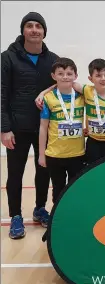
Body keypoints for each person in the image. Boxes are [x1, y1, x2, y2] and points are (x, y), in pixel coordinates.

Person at [1, 12, 59, 239]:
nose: (34, 30)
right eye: (29, 26)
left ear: (44, 31)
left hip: (46, 128)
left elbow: (60, 85)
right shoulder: (7, 57)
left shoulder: (53, 59)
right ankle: (16, 215)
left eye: (38, 26)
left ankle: (39, 208)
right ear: (23, 30)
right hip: (16, 128)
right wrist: (4, 128)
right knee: (15, 173)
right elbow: (2, 93)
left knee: (43, 170)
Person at [38, 58, 85, 205]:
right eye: (61, 73)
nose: (65, 76)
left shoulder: (82, 97)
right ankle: (56, 220)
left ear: (75, 76)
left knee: (75, 188)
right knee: (58, 189)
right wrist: (41, 155)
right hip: (54, 154)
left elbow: (99, 91)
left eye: (69, 73)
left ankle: (73, 218)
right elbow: (43, 127)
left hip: (77, 154)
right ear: (54, 76)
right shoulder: (48, 98)